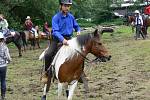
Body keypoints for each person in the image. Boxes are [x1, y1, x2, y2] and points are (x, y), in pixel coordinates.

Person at [42, 0, 81, 81]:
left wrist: (78, 30)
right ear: (61, 6)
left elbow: (76, 26)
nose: (67, 7)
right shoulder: (56, 17)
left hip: (69, 38)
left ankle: (80, 73)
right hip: (57, 39)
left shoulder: (71, 17)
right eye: (65, 5)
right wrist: (62, 40)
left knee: (80, 53)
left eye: (69, 6)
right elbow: (55, 31)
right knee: (48, 54)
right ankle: (46, 73)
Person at [0, 32, 11, 100]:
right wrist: (9, 60)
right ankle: (3, 96)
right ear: (2, 39)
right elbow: (7, 57)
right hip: (3, 66)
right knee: (3, 80)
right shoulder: (4, 47)